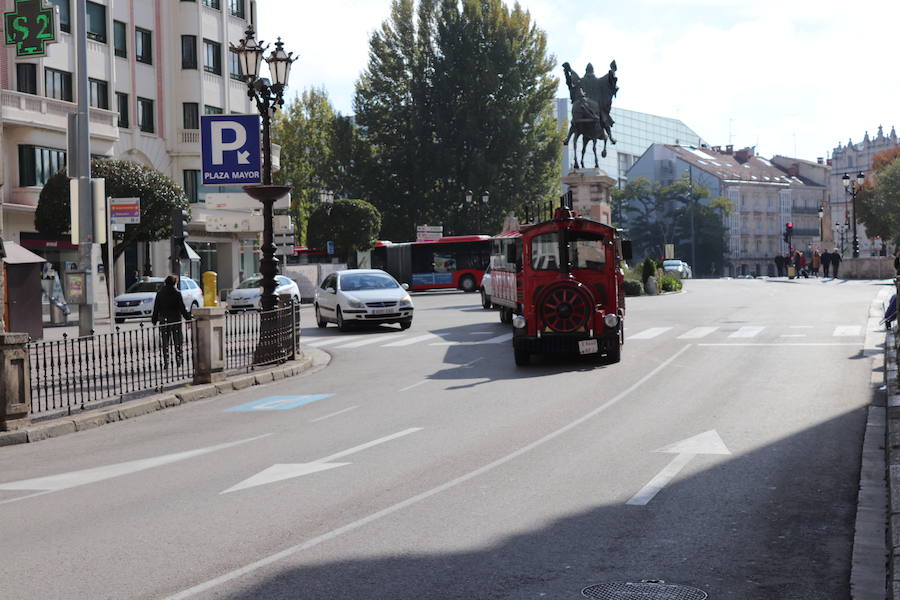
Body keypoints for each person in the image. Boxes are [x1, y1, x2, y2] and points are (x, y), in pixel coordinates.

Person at [151, 275, 191, 368]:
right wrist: (188, 319)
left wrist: (154, 320)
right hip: (175, 320)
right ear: (175, 283)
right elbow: (182, 308)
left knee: (165, 342)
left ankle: (166, 361)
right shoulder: (177, 293)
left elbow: (156, 308)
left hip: (164, 320)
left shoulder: (160, 293)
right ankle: (178, 359)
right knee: (178, 341)